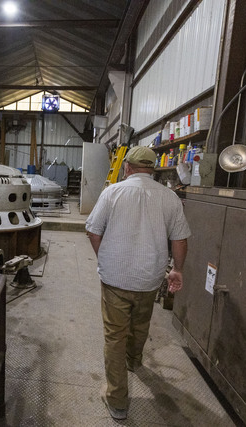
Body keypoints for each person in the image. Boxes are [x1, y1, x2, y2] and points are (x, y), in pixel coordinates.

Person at [85, 145, 191, 420]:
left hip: (116, 278)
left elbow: (93, 231)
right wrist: (177, 270)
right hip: (150, 277)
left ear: (128, 167)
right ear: (152, 169)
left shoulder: (113, 192)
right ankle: (134, 362)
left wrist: (104, 257)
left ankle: (118, 400)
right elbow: (179, 239)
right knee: (141, 323)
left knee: (114, 335)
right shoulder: (170, 197)